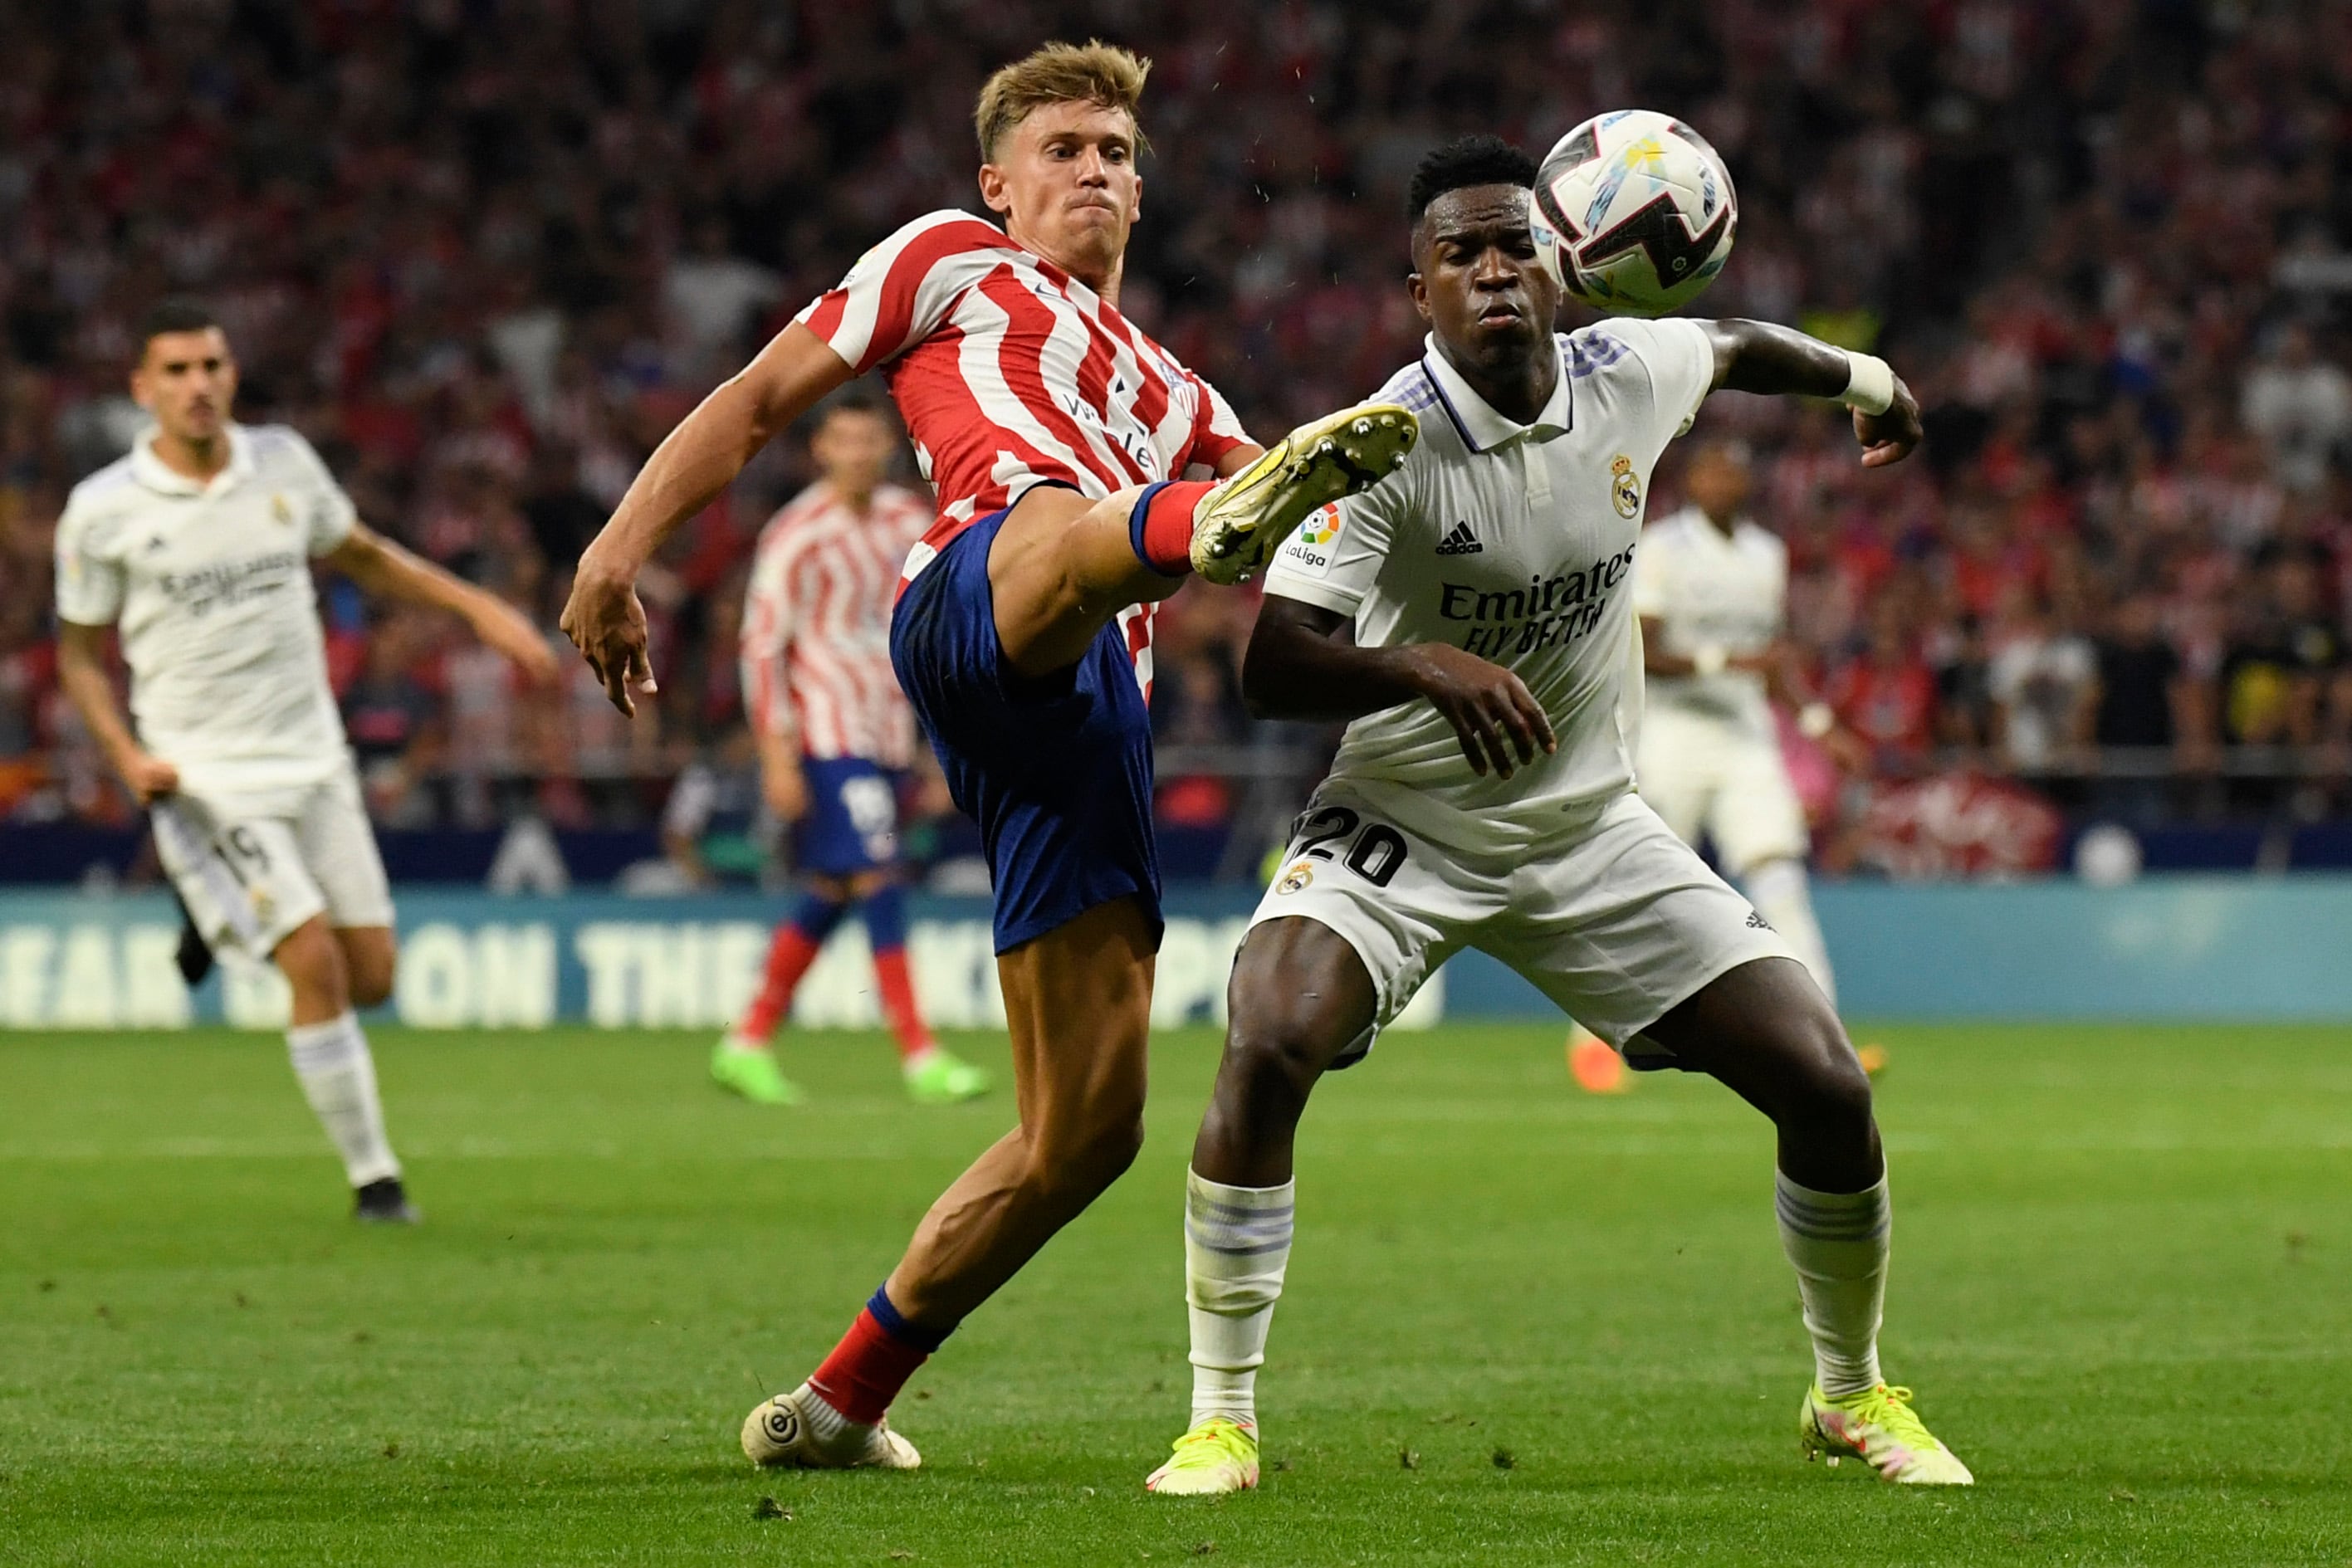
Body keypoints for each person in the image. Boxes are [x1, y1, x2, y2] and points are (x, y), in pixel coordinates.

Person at [557, 42, 1416, 1472]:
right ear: (997, 186)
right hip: (977, 594)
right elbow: (764, 397)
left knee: (1083, 1131)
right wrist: (616, 545)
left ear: (1142, 192)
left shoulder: (1175, 385)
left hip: (1090, 734)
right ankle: (1175, 534)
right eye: (1065, 148)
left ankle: (839, 1399)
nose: (1095, 169)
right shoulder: (950, 259)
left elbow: (1338, 542)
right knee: (1056, 526)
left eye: (1118, 152)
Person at [1145, 137, 1971, 1496]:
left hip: (1591, 827)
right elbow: (1270, 660)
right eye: (1456, 254)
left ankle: (1848, 1387)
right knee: (1270, 1033)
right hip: (1404, 822)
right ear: (1417, 290)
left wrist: (1869, 382)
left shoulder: (1628, 371)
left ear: (1560, 263)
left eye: (1512, 245)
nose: (1490, 271)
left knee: (1822, 1081)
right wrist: (1421, 662)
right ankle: (1219, 1416)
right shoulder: (1379, 447)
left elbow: (1738, 345)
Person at [54, 300, 559, 1223]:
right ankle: (377, 1182)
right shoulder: (103, 510)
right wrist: (126, 754)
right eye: (175, 371)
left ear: (231, 374)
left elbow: (361, 553)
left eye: (210, 366)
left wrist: (480, 609)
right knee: (313, 957)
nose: (197, 385)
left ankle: (204, 913)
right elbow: (81, 654)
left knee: (373, 975)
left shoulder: (282, 462)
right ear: (141, 388)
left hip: (313, 759)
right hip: (202, 773)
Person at [714, 390, 990, 1107]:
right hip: (827, 730)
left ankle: (746, 1040)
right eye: (845, 441)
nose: (859, 454)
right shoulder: (796, 533)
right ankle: (919, 1054)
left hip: (890, 729)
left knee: (838, 881)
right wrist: (776, 753)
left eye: (871, 441)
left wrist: (938, 741)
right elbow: (762, 646)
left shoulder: (909, 521)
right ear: (822, 450)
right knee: (877, 872)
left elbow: (935, 629)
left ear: (886, 448)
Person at [1632, 438, 1856, 1003]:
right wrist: (1724, 661)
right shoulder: (1661, 547)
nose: (1719, 483)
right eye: (1709, 472)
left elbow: (1772, 661)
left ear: (1745, 483)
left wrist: (1816, 722)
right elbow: (1642, 649)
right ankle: (1599, 1031)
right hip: (1672, 733)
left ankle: (1822, 1027)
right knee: (1649, 885)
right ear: (1691, 482)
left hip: (1743, 735)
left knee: (1778, 872)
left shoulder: (1766, 554)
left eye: (1729, 473)